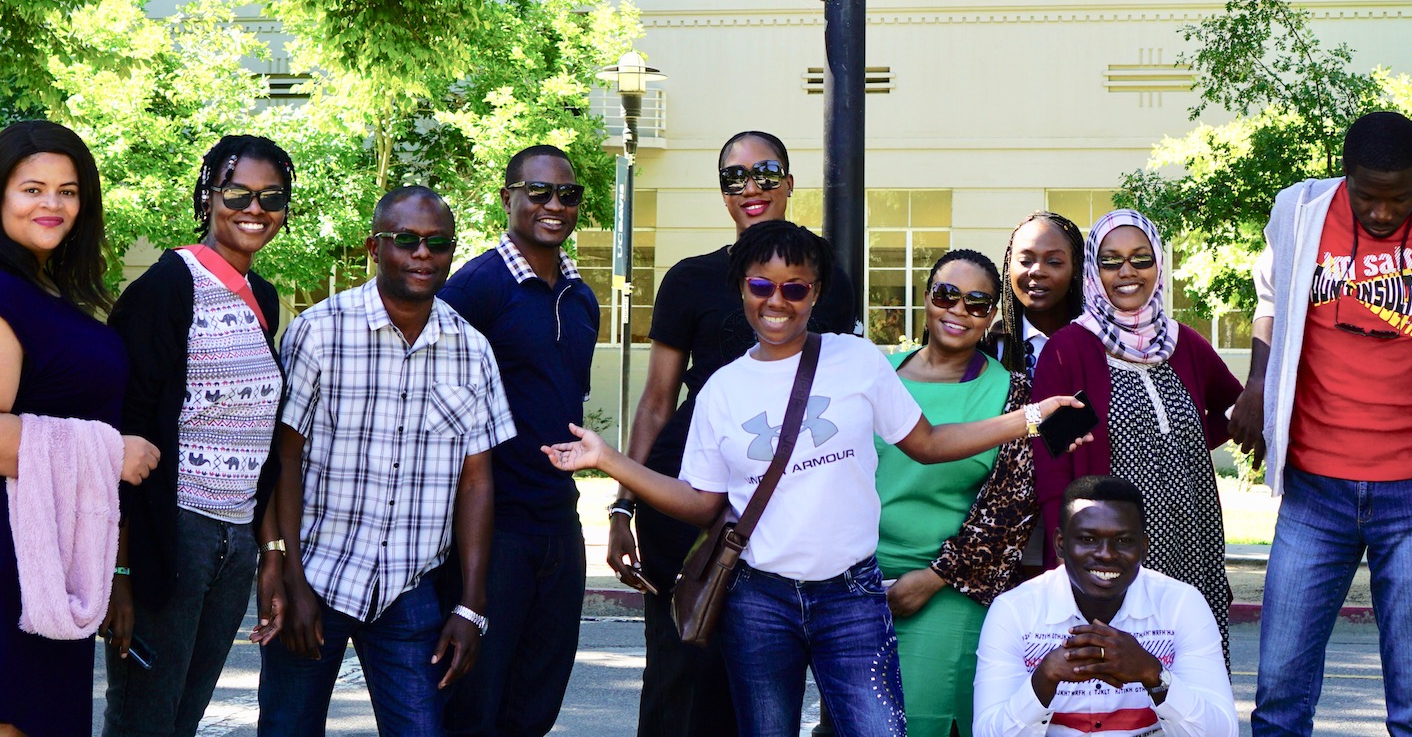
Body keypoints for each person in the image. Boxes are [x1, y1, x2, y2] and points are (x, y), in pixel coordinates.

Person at [544, 220, 1085, 737]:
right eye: (761, 285)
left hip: (852, 595)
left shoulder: (857, 360)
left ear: (816, 292)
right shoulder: (722, 390)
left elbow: (929, 444)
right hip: (759, 600)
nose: (776, 301)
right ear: (742, 288)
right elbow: (701, 503)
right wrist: (611, 461)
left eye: (794, 289)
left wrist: (1031, 417)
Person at [1229, 110, 1412, 737]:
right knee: (1278, 696)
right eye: (1368, 196)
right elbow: (1272, 301)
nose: (1383, 213)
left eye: (1398, 197)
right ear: (1344, 176)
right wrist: (1257, 383)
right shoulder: (1299, 212)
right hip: (1313, 489)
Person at [0, 120, 160, 737]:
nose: (52, 204)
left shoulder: (43, 291)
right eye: (32, 188)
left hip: (40, 549)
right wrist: (108, 453)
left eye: (68, 191)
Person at [606, 129, 860, 737]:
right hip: (687, 502)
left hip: (783, 507)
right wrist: (622, 505)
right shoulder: (690, 279)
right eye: (734, 178)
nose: (751, 188)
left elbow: (845, 392)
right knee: (681, 668)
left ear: (790, 185)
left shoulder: (827, 278)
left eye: (766, 173)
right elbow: (656, 402)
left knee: (763, 679)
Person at [252, 186, 516, 737]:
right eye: (407, 240)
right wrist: (291, 579)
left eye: (438, 242)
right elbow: (285, 461)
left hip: (409, 590)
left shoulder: (473, 349)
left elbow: (476, 483)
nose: (424, 253)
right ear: (375, 247)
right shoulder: (318, 332)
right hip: (317, 579)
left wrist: (471, 606)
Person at [103, 134, 295, 737]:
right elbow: (126, 433)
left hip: (234, 543)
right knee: (142, 720)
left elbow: (259, 441)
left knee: (182, 721)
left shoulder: (262, 297)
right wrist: (121, 574)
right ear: (208, 195)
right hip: (171, 535)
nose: (254, 209)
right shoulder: (165, 288)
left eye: (271, 197)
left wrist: (268, 553)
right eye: (238, 192)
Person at [437, 146, 601, 737]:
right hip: (493, 527)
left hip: (560, 522)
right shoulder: (476, 288)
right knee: (475, 706)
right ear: (508, 197)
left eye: (567, 194)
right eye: (539, 192)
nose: (555, 205)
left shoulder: (581, 297)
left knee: (536, 704)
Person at [1030, 208, 1241, 656]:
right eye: (1111, 261)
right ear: (1094, 270)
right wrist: (1065, 558)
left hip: (1192, 537)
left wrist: (1186, 445)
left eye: (1141, 259)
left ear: (1158, 266)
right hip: (1111, 551)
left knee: (1187, 671)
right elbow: (1052, 464)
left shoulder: (1184, 344)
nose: (1128, 272)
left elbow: (1235, 408)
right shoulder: (1071, 351)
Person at [873, 249, 1037, 737]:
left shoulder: (1013, 394)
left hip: (947, 587)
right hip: (855, 584)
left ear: (992, 316)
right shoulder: (877, 375)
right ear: (926, 298)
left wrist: (932, 578)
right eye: (947, 295)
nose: (958, 310)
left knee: (924, 722)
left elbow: (1009, 511)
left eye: (977, 302)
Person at [973, 476, 1236, 737]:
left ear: (1143, 547)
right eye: (1088, 539)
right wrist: (1043, 679)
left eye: (1123, 541)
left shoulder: (1181, 604)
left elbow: (1222, 733)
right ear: (1061, 544)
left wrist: (1153, 674)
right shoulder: (1014, 610)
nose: (1106, 554)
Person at [989, 212, 1084, 374]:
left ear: (1075, 266)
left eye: (1053, 262)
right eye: (1025, 261)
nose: (1037, 271)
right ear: (1008, 264)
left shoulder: (1100, 344)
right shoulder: (990, 350)